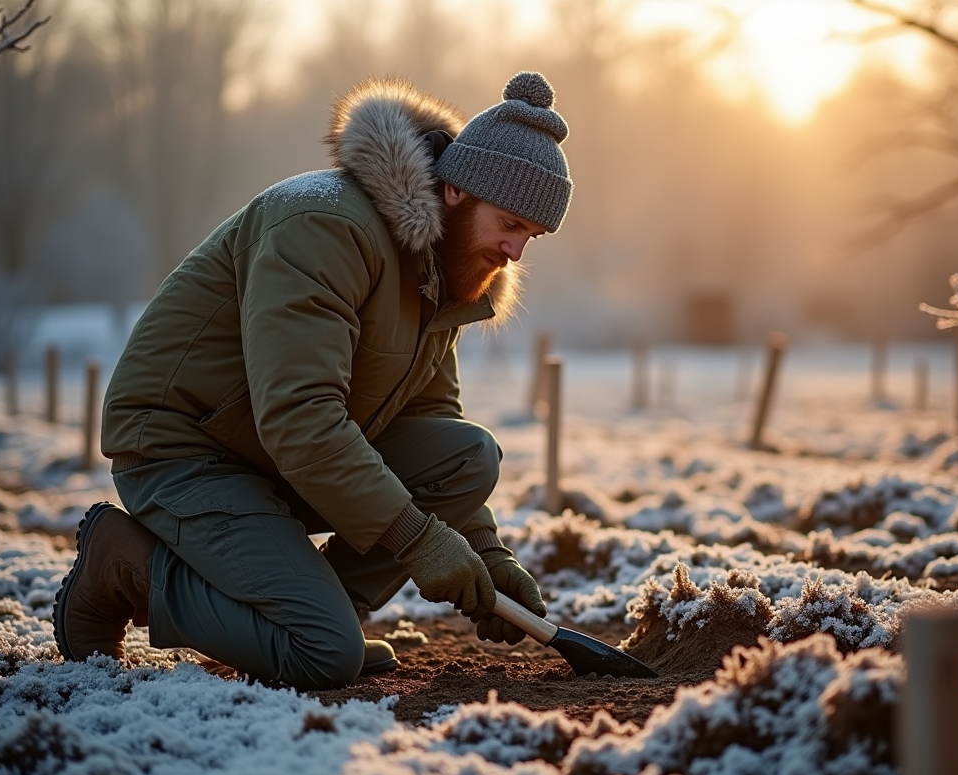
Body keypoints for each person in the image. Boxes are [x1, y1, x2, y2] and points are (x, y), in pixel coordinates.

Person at [52, 71, 573, 690]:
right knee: (321, 656)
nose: (517, 252)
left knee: (468, 456)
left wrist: (486, 551)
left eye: (531, 237)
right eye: (510, 224)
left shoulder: (446, 273)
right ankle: (125, 564)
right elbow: (299, 417)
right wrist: (419, 540)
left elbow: (434, 428)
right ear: (457, 189)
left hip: (276, 455)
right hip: (188, 448)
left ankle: (329, 614)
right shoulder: (323, 225)